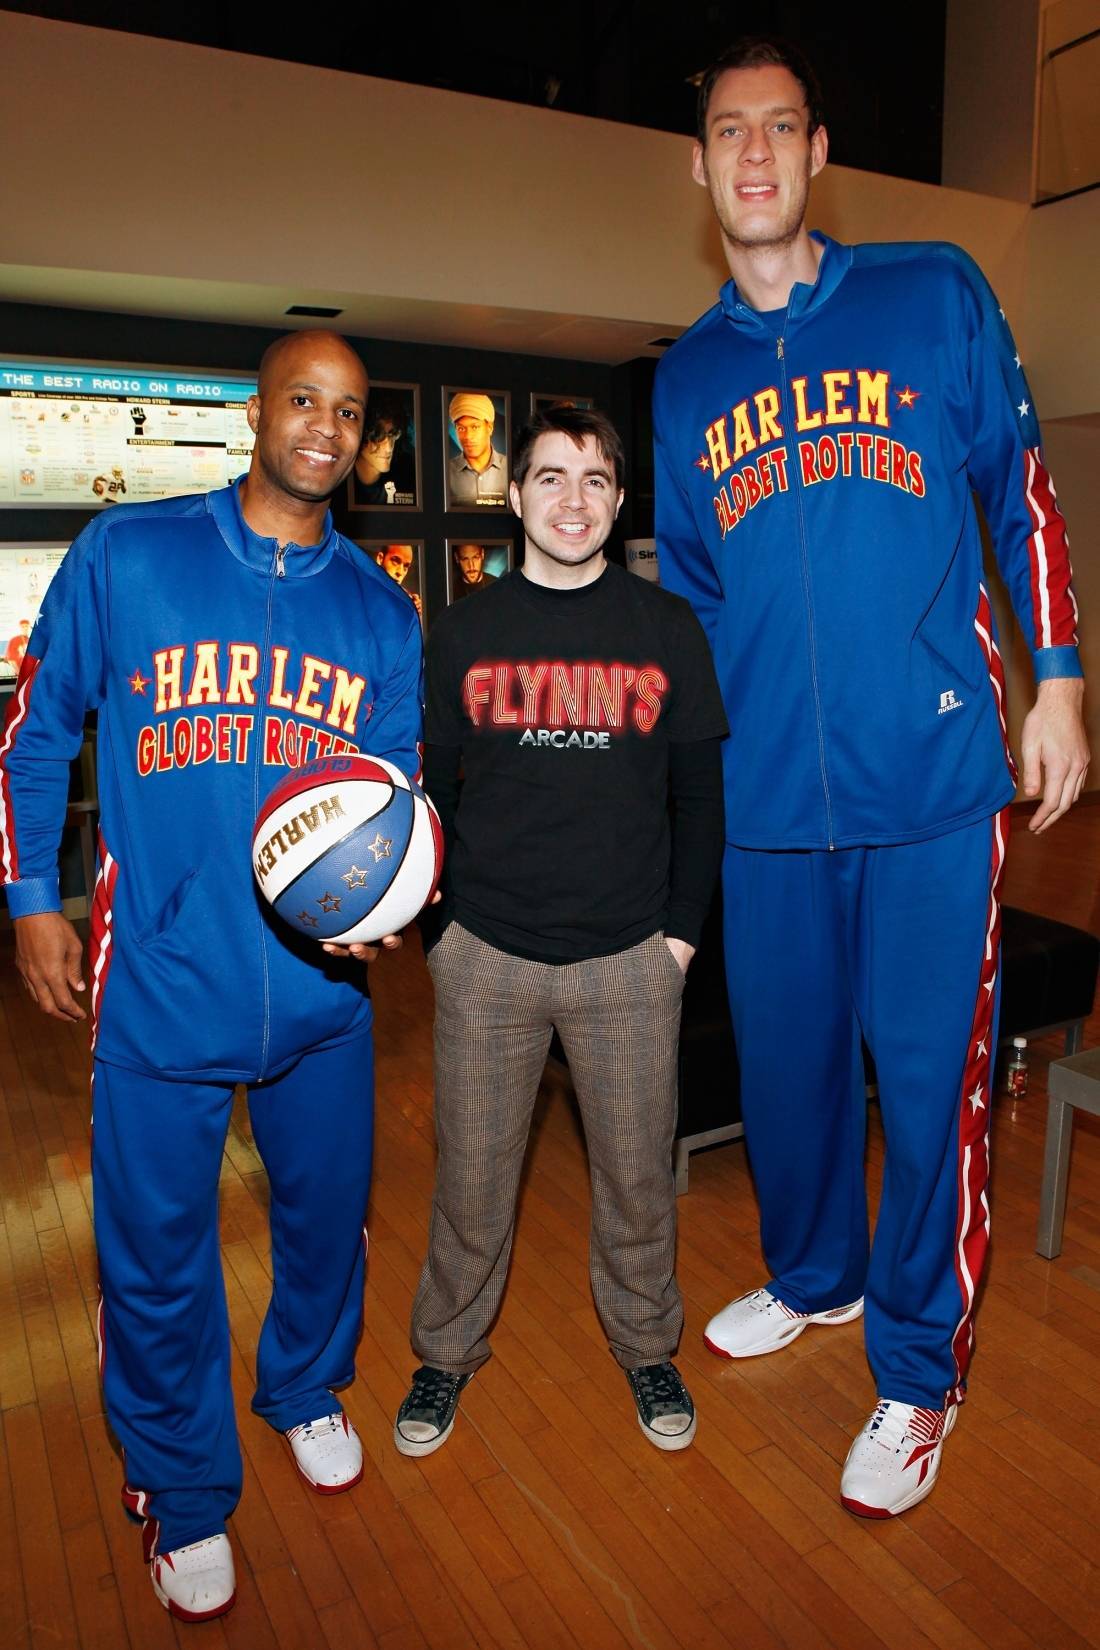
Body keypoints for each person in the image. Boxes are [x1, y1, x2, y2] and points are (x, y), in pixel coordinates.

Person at [653, 36, 1089, 1518]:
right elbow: (697, 601)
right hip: (767, 802)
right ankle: (815, 1278)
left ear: (819, 151)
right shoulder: (691, 375)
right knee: (785, 1077)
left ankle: (917, 1374)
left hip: (929, 788)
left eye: (782, 128)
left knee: (928, 1081)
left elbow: (1019, 493)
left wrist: (1063, 684)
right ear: (698, 166)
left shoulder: (931, 293)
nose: (757, 154)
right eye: (730, 132)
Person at [0, 331, 424, 1620]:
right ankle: (182, 1492)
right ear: (256, 411)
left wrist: (388, 900)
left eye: (349, 412)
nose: (324, 427)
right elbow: (36, 725)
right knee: (156, 1254)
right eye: (303, 398)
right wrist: (30, 900)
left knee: (324, 1223)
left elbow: (396, 796)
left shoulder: (380, 610)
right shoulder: (130, 557)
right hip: (161, 988)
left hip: (320, 1002)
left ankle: (302, 1385)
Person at [395, 405, 728, 1458]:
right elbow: (428, 794)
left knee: (635, 1180)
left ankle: (644, 1344)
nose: (572, 500)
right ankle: (444, 1357)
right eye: (549, 478)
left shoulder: (666, 628)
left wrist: (675, 943)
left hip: (628, 960)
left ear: (618, 498)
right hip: (485, 955)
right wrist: (438, 932)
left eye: (593, 480)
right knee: (470, 1181)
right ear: (516, 496)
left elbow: (701, 802)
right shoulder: (465, 629)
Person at [352, 393, 417, 506]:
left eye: (393, 434)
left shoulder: (409, 472)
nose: (389, 448)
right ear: (361, 435)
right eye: (377, 436)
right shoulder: (339, 483)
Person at [446, 391, 507, 506]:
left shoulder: (510, 469)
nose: (468, 436)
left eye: (475, 427)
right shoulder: (446, 472)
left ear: (489, 428)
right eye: (461, 429)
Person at [375, 542, 423, 616]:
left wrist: (415, 615)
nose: (400, 572)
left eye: (406, 566)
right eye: (395, 561)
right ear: (380, 559)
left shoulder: (406, 598)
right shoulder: (360, 589)